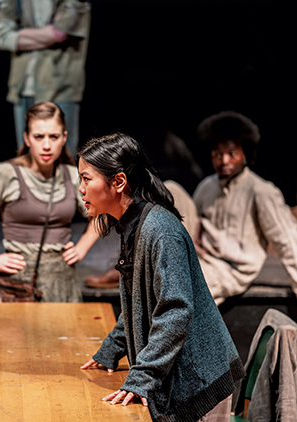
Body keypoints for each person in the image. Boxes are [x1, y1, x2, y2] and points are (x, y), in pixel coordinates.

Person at [77, 133, 245, 422]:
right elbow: (141, 301)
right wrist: (112, 349)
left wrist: (141, 377)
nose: (80, 189)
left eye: (86, 179)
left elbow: (176, 311)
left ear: (118, 182)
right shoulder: (132, 225)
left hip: (200, 381)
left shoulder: (160, 231)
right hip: (179, 375)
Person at [0, 102, 99, 302]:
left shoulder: (72, 176)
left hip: (62, 282)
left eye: (53, 137)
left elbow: (102, 213)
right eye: (39, 137)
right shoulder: (7, 174)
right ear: (27, 138)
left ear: (64, 138)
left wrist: (82, 247)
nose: (46, 145)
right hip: (17, 283)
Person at [168, 110, 297, 305]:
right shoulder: (206, 187)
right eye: (218, 155)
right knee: (170, 188)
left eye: (232, 154)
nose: (224, 161)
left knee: (181, 291)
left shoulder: (261, 191)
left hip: (232, 270)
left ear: (245, 154)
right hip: (201, 259)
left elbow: (287, 242)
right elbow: (190, 222)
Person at [0, 0, 91, 154]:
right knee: (27, 162)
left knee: (61, 161)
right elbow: (1, 36)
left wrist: (19, 36)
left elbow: (60, 32)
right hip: (22, 84)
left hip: (60, 84)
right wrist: (46, 34)